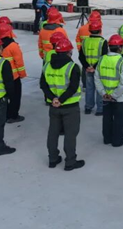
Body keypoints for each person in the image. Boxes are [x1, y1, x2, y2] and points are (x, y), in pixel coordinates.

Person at [40, 38, 85, 171]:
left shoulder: (47, 66)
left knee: (53, 133)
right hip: (70, 106)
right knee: (70, 135)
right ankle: (70, 161)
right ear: (69, 52)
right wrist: (61, 100)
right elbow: (73, 87)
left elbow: (43, 85)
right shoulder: (72, 67)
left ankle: (53, 159)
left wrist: (53, 98)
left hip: (53, 106)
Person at [95, 34, 123, 147]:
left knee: (107, 118)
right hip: (119, 97)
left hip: (105, 96)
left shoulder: (101, 59)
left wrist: (103, 93)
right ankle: (117, 140)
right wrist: (114, 95)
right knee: (119, 119)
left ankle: (107, 138)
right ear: (120, 48)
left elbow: (97, 78)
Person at [78, 20, 108, 116]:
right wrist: (94, 67)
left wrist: (87, 66)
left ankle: (88, 107)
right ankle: (100, 109)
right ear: (100, 30)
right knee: (100, 89)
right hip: (99, 69)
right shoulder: (103, 42)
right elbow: (103, 57)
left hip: (88, 69)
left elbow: (81, 56)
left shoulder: (85, 41)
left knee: (89, 88)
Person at [0, 23, 26, 123]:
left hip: (1, 76)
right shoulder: (13, 46)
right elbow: (19, 62)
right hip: (13, 77)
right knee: (15, 97)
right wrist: (22, 74)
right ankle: (13, 116)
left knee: (4, 97)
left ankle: (5, 114)